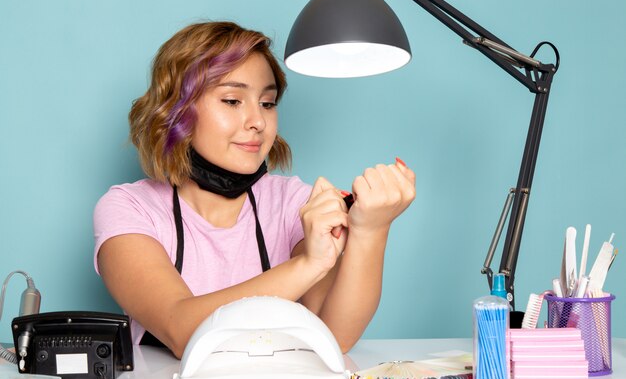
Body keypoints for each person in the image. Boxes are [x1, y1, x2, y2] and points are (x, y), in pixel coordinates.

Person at [93, 21, 416, 359]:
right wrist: (309, 264)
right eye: (232, 100)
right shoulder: (129, 208)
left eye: (267, 103)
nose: (258, 122)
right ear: (176, 111)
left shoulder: (293, 202)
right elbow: (181, 329)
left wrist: (371, 230)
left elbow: (334, 336)